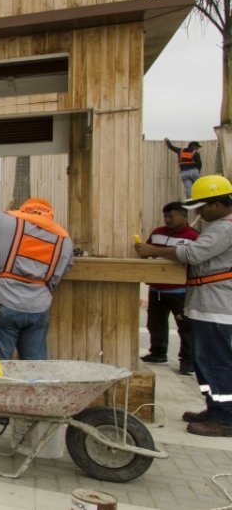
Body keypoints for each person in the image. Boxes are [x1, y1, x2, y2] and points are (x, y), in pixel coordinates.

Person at [135, 175, 232, 437]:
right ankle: (215, 408)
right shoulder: (219, 226)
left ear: (217, 204)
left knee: (216, 363)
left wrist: (154, 250)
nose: (199, 213)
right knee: (205, 363)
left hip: (216, 307)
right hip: (207, 305)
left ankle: (225, 417)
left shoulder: (224, 228)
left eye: (202, 207)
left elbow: (192, 254)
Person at [0, 198, 74, 361]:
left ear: (23, 210)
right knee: (35, 366)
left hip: (1, 299)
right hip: (39, 306)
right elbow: (61, 271)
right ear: (49, 215)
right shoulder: (64, 239)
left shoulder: (4, 220)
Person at [139, 201, 199, 374]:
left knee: (185, 328)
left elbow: (193, 259)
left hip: (180, 291)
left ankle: (187, 361)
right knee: (155, 324)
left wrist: (154, 251)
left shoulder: (193, 236)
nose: (167, 220)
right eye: (165, 216)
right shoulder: (157, 233)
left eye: (171, 216)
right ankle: (158, 353)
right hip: (156, 288)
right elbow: (147, 253)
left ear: (184, 216)